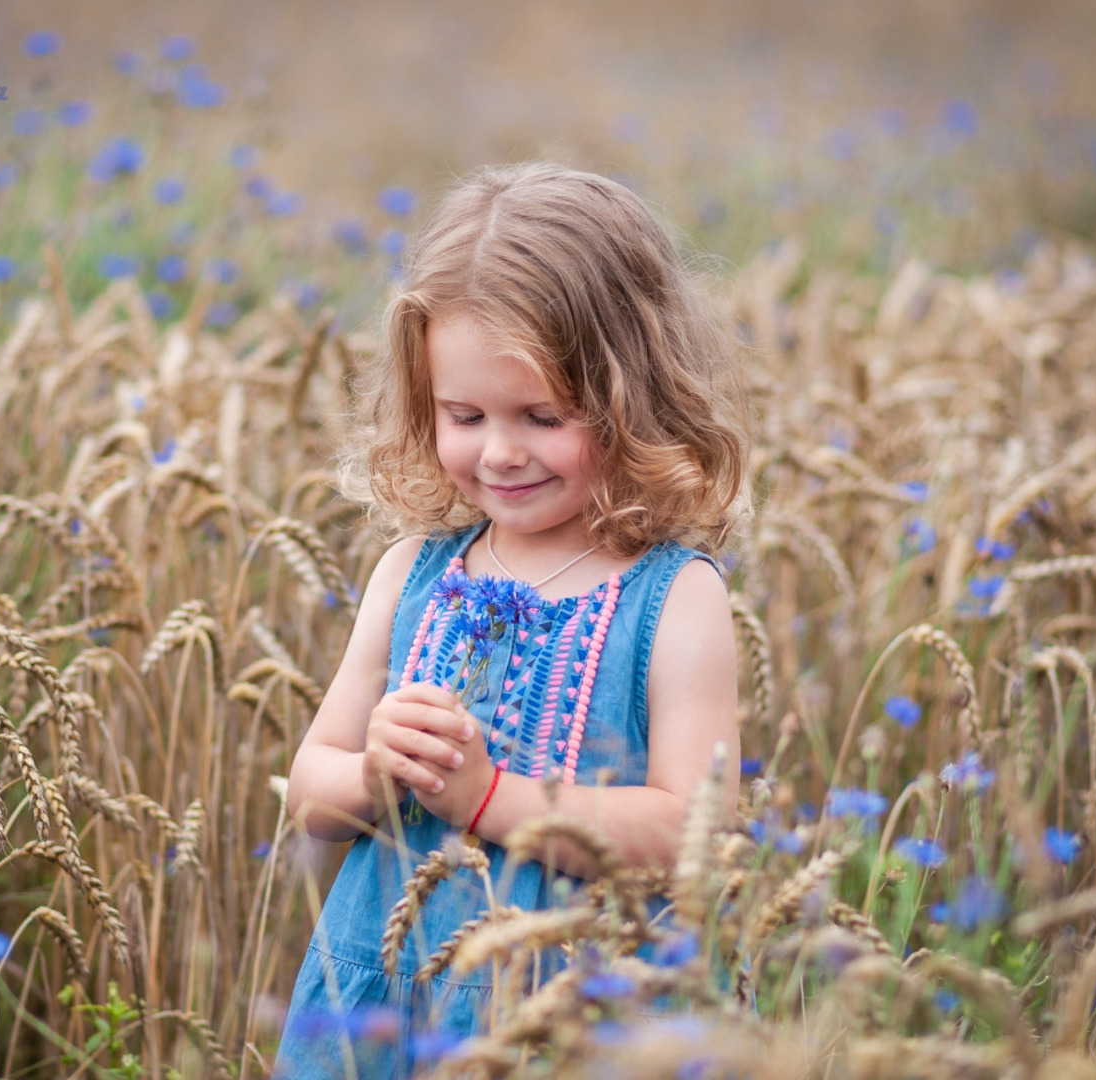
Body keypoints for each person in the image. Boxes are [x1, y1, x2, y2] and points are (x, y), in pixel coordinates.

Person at [276, 161, 751, 1077]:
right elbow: (309, 791)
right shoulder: (411, 572)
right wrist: (379, 770)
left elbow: (694, 832)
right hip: (394, 989)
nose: (499, 451)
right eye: (463, 414)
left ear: (630, 398)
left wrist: (489, 799)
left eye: (542, 416)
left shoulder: (672, 597)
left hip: (588, 1007)